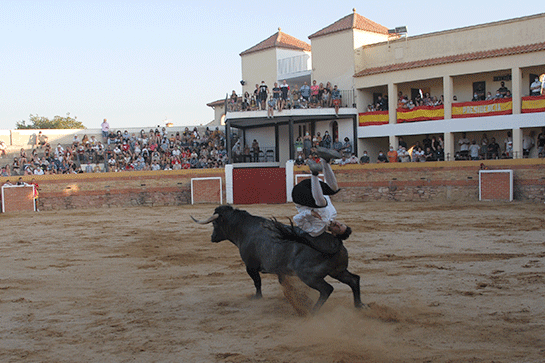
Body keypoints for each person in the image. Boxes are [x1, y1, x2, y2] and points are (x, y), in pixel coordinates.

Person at [290, 147, 352, 255]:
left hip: (299, 196)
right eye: (340, 224)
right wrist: (326, 189)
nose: (337, 224)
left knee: (322, 204)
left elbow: (296, 219)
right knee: (333, 190)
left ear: (334, 234)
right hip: (310, 185)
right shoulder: (333, 213)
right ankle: (325, 161)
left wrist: (310, 213)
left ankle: (314, 172)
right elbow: (326, 196)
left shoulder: (316, 231)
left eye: (338, 228)